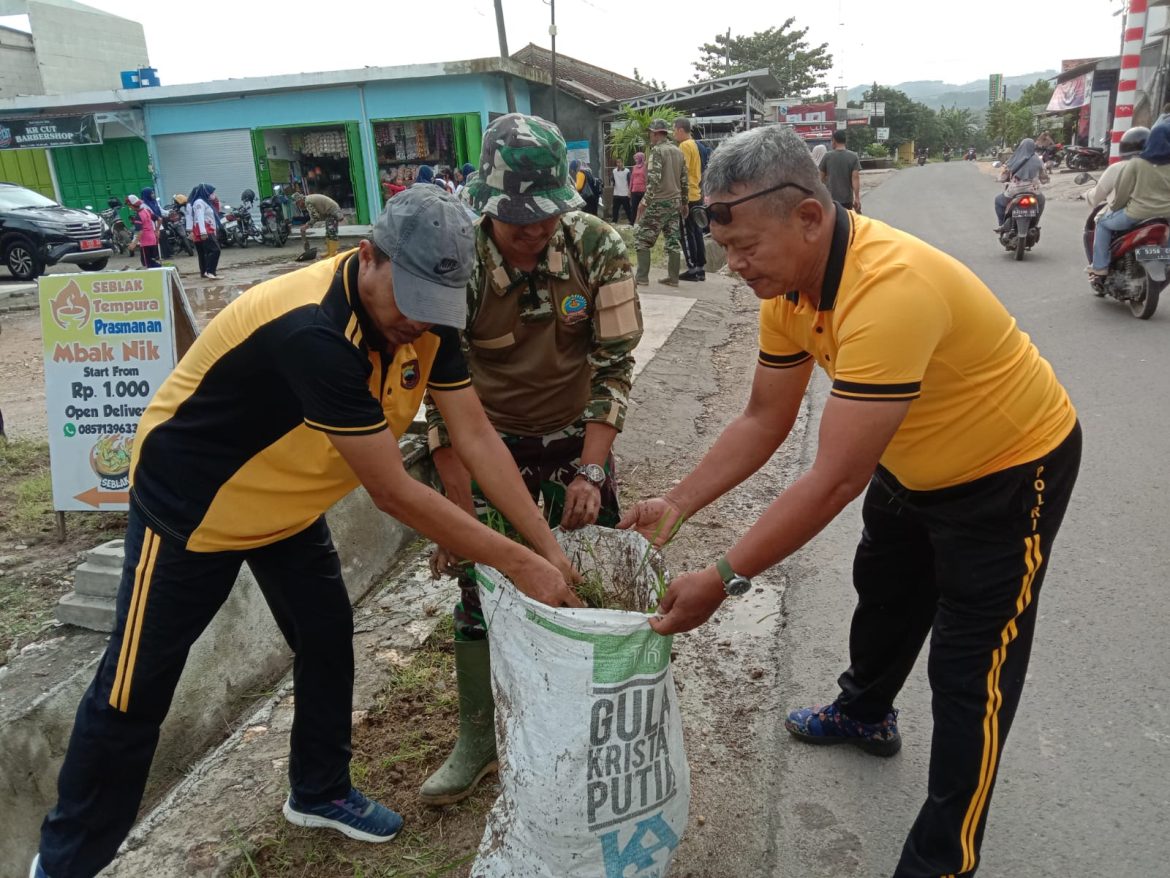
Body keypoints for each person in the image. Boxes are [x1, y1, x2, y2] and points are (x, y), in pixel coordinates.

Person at [28, 186, 584, 878]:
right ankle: (65, 861)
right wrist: (519, 564)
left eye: (435, 305)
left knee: (325, 636)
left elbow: (474, 434)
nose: (419, 321)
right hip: (194, 507)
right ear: (367, 256)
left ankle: (318, 789)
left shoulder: (427, 316)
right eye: (406, 299)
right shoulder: (313, 331)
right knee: (133, 692)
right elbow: (391, 491)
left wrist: (549, 548)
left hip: (285, 497)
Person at [620, 124, 1080, 878]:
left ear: (810, 216)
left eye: (746, 250)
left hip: (1008, 471)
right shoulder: (789, 287)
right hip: (907, 455)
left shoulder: (889, 288)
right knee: (886, 592)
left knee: (973, 672)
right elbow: (764, 419)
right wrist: (678, 502)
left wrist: (724, 579)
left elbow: (833, 478)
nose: (735, 269)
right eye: (726, 250)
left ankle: (944, 859)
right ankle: (865, 711)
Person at [420, 112, 643, 806]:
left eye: (547, 218)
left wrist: (593, 469)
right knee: (478, 595)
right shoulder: (453, 262)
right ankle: (480, 740)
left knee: (584, 590)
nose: (535, 233)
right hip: (487, 444)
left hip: (576, 440)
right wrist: (457, 511)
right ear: (486, 206)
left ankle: (581, 735)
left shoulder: (599, 247)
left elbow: (614, 364)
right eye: (519, 223)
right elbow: (435, 390)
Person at [1089, 123, 1170, 280]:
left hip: (1136, 214)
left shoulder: (1137, 163)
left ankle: (1100, 267)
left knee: (1102, 223)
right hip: (1166, 216)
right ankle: (1165, 261)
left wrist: (1114, 208)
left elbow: (1123, 192)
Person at [633, 118, 688, 287]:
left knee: (642, 239)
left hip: (659, 202)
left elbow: (654, 180)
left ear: (657, 133)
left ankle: (641, 277)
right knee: (672, 240)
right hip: (675, 202)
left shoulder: (657, 151)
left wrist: (644, 202)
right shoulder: (678, 151)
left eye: (651, 132)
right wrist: (684, 202)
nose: (650, 135)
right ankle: (673, 278)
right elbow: (684, 179)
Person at [1084, 126, 1149, 212]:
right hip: (1160, 217)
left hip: (1131, 214)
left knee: (1101, 222)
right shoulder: (1158, 167)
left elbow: (1096, 197)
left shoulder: (1117, 168)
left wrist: (1086, 195)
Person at [674, 117, 707, 282]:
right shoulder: (696, 144)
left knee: (686, 234)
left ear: (680, 130)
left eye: (674, 131)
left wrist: (682, 199)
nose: (674, 134)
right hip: (697, 193)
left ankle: (692, 268)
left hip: (688, 196)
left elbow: (682, 173)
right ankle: (700, 268)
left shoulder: (684, 146)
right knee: (697, 232)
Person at [995, 138, 1049, 230]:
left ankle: (1002, 225)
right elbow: (1044, 177)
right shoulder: (1038, 159)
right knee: (1042, 201)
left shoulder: (1014, 158)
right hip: (1033, 191)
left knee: (998, 201)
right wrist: (1044, 180)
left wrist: (1001, 179)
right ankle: (1035, 224)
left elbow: (1004, 176)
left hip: (1014, 192)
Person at [294, 191, 344, 260]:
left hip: (332, 211)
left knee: (332, 232)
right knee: (328, 232)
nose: (299, 206)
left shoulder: (308, 202)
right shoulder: (307, 200)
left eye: (298, 203)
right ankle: (329, 252)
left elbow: (315, 217)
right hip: (329, 212)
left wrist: (307, 225)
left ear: (300, 200)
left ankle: (333, 253)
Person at [185, 183, 221, 280]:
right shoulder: (199, 202)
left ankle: (206, 272)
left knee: (206, 252)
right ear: (206, 192)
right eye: (212, 192)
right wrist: (202, 232)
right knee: (215, 250)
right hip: (204, 229)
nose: (213, 194)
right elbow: (199, 217)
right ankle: (209, 271)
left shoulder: (205, 202)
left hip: (206, 228)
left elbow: (214, 213)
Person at [820, 129, 861, 212]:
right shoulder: (853, 156)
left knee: (833, 223)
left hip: (830, 199)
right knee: (846, 222)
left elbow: (820, 178)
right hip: (847, 199)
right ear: (845, 141)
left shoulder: (827, 156)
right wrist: (857, 198)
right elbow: (855, 179)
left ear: (834, 141)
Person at [126, 194, 161, 269]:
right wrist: (157, 230)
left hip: (145, 242)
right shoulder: (146, 211)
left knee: (146, 264)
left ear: (131, 206)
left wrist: (134, 243)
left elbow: (140, 231)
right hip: (153, 239)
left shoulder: (138, 216)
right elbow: (159, 219)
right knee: (152, 261)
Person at [611, 156, 633, 224]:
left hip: (625, 193)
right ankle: (614, 221)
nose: (618, 164)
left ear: (622, 162)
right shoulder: (614, 171)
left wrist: (629, 192)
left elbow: (630, 182)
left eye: (619, 162)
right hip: (616, 193)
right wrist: (612, 182)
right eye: (617, 162)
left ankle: (631, 221)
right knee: (615, 208)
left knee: (627, 209)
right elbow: (613, 180)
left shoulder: (627, 171)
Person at [629, 151, 647, 218]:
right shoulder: (634, 167)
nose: (636, 160)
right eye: (635, 159)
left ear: (641, 158)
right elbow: (631, 179)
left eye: (637, 158)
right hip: (634, 190)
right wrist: (629, 190)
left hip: (643, 190)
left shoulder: (645, 166)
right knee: (634, 207)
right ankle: (633, 222)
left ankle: (642, 222)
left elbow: (646, 178)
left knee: (642, 207)